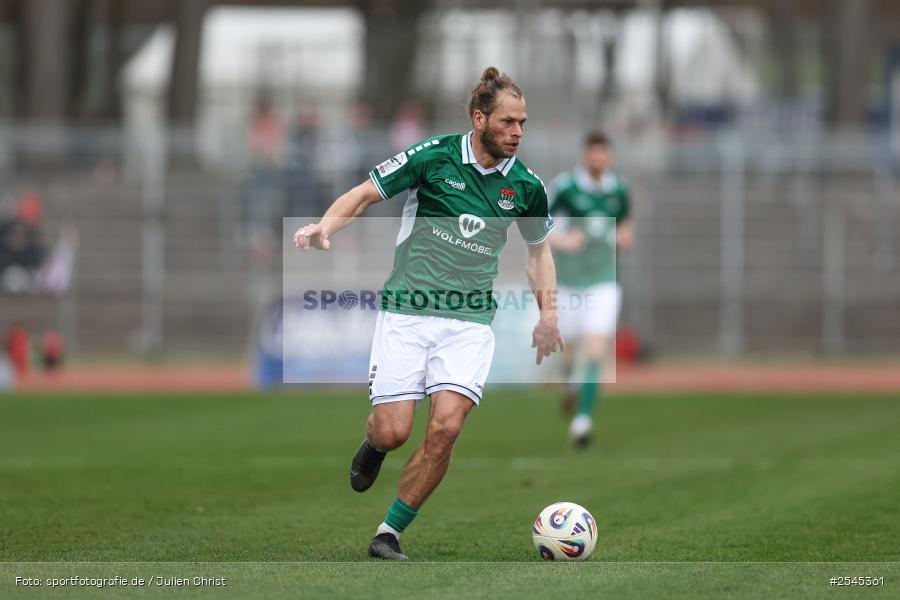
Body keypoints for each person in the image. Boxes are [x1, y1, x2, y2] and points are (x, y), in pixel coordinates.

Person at [293, 67, 564, 560]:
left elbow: (538, 253)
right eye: (508, 122)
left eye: (523, 122)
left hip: (469, 322)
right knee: (394, 430)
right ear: (479, 119)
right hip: (408, 311)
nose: (518, 132)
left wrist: (548, 315)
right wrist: (324, 225)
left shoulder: (526, 186)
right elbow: (364, 193)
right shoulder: (433, 156)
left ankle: (388, 533)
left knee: (447, 427)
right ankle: (373, 446)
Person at [549, 131, 633, 449]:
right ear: (585, 155)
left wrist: (626, 236)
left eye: (603, 153)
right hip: (570, 283)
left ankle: (582, 421)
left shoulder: (619, 189)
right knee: (569, 353)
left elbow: (625, 222)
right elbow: (538, 223)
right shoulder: (566, 187)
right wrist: (561, 239)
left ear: (609, 156)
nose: (598, 158)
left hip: (604, 281)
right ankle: (571, 385)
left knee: (596, 349)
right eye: (593, 152)